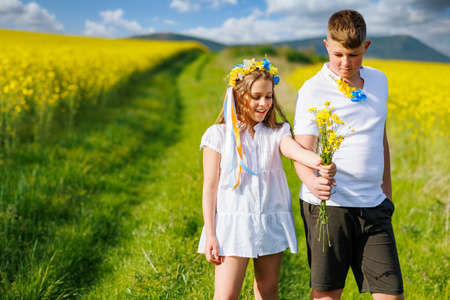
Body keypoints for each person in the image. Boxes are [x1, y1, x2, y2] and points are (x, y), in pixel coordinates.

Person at [198, 58, 336, 299]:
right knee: (226, 295)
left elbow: (292, 149)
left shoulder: (277, 132)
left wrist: (317, 161)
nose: (264, 103)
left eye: (269, 96)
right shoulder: (218, 135)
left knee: (267, 290)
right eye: (256, 96)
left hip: (269, 221)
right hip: (233, 224)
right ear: (239, 96)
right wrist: (211, 233)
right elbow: (210, 187)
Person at [293, 9, 404, 300]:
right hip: (330, 207)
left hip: (375, 206)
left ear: (366, 47)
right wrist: (311, 180)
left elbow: (380, 137)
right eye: (339, 54)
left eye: (354, 55)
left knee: (391, 294)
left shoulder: (379, 81)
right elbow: (301, 150)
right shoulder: (312, 89)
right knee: (328, 294)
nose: (346, 63)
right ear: (327, 45)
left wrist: (386, 189)